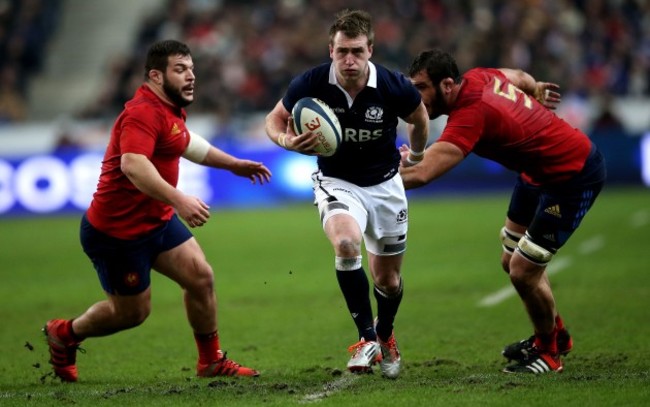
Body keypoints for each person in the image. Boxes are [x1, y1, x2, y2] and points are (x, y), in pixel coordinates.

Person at [43, 39, 272, 382]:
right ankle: (65, 333)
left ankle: (210, 361)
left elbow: (186, 142)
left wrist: (232, 164)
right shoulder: (142, 112)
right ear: (155, 75)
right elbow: (133, 165)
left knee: (200, 277)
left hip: (156, 222)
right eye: (180, 70)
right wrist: (179, 199)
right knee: (132, 314)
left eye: (191, 69)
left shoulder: (169, 107)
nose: (190, 76)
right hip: (117, 233)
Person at [399, 49, 606, 374]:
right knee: (511, 260)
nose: (417, 97)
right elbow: (520, 78)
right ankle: (556, 335)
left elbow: (423, 173)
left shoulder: (470, 114)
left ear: (448, 85)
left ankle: (549, 355)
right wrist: (535, 89)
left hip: (572, 174)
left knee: (523, 270)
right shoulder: (481, 75)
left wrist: (366, 182)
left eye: (422, 88)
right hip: (535, 174)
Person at [265, 9, 429, 379]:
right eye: (342, 52)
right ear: (330, 50)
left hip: (386, 184)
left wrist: (416, 157)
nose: (349, 60)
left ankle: (385, 334)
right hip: (337, 181)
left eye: (356, 51)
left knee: (387, 280)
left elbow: (419, 118)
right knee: (345, 244)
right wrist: (287, 140)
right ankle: (365, 337)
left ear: (371, 49)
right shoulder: (310, 83)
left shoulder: (391, 85)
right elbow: (273, 120)